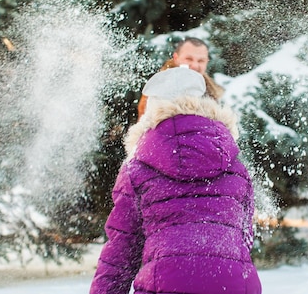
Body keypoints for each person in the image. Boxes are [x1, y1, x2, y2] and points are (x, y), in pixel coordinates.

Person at [90, 67, 261, 294]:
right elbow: (244, 234)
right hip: (235, 283)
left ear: (153, 112)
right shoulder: (235, 165)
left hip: (165, 283)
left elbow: (121, 250)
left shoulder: (137, 168)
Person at [137, 37, 224, 119]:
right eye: (189, 59)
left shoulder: (212, 93)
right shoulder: (158, 89)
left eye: (201, 61)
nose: (195, 65)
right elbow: (147, 127)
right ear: (176, 58)